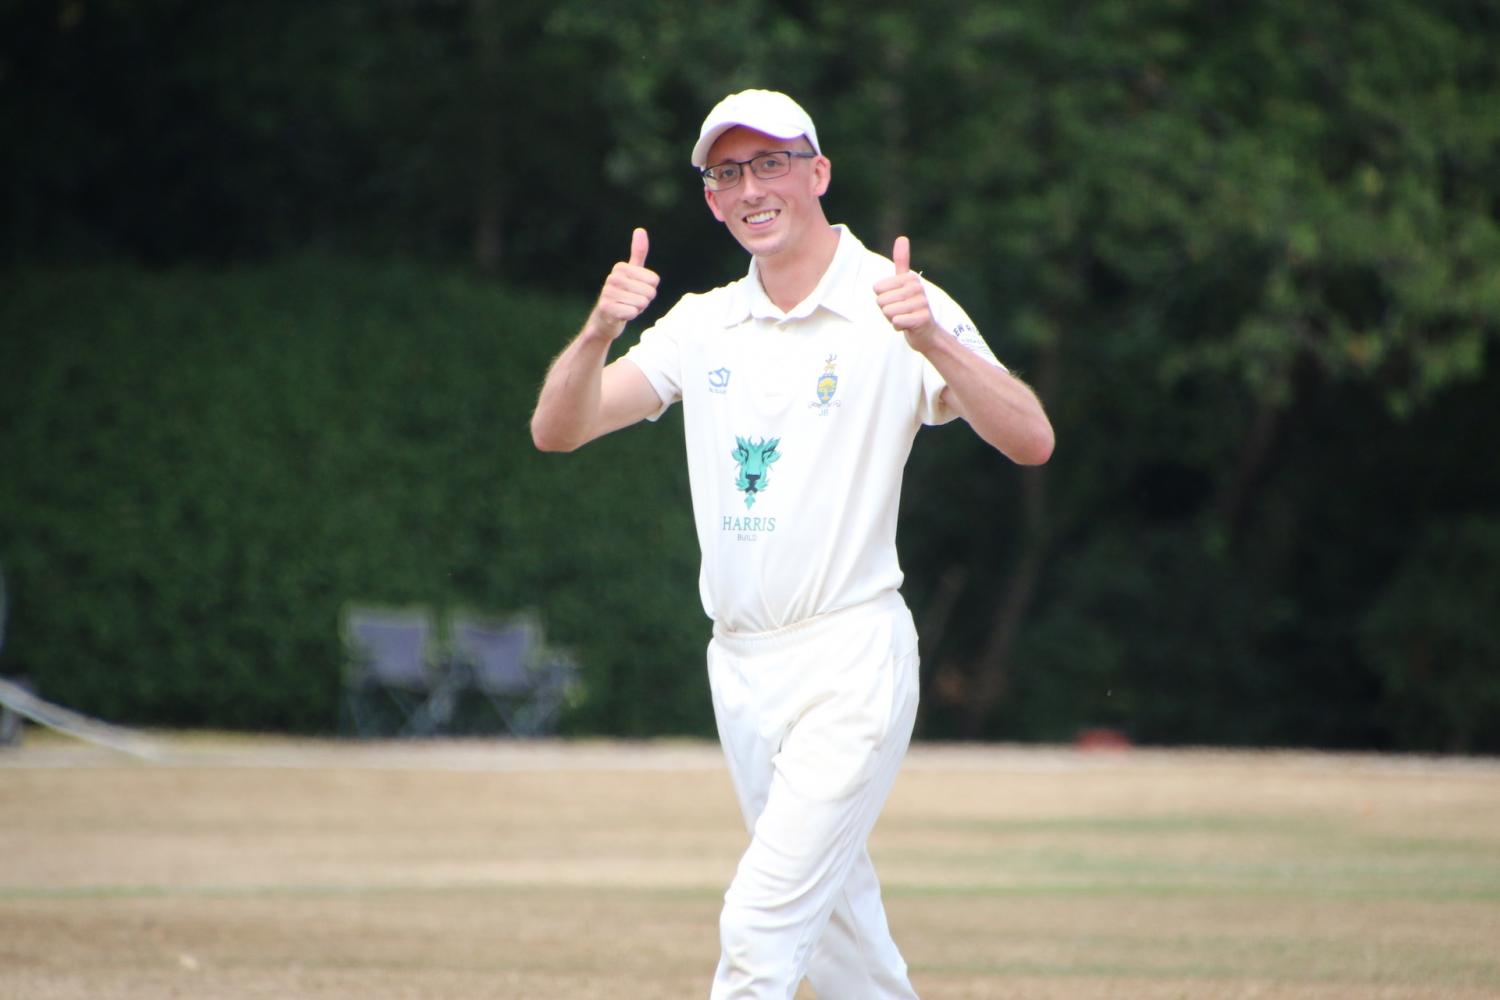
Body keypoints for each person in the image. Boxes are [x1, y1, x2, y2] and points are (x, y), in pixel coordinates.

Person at [530, 89, 1053, 999]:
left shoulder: (894, 306)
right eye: (727, 173)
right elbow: (559, 429)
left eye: (770, 164)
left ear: (818, 173)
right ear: (710, 198)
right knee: (843, 939)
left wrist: (934, 340)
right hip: (740, 665)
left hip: (849, 656)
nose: (750, 188)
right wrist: (597, 332)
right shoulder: (704, 321)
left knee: (760, 922)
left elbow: (1030, 436)